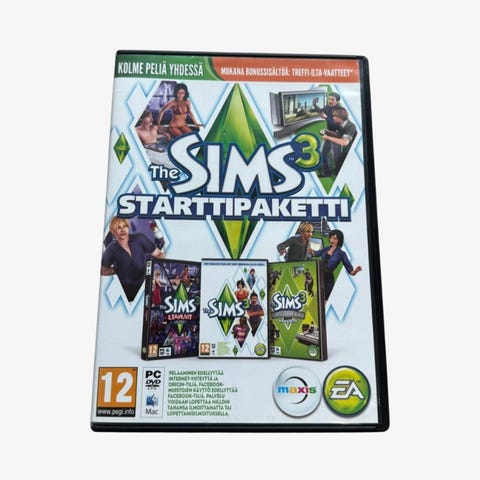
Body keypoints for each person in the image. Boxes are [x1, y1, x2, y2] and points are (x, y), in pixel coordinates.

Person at [101, 216, 165, 302]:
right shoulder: (111, 249)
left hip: (146, 291)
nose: (122, 230)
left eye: (125, 226)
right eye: (118, 227)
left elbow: (159, 254)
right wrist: (118, 270)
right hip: (127, 297)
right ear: (113, 231)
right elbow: (103, 270)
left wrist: (156, 272)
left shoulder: (140, 238)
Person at [312, 229, 362, 300]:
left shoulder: (341, 253)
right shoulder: (326, 249)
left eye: (335, 239)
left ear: (339, 240)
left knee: (325, 299)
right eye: (331, 238)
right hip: (318, 276)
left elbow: (350, 271)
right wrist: (309, 250)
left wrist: (356, 271)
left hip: (328, 279)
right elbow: (316, 254)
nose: (332, 240)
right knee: (315, 297)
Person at [319, 107, 357, 177]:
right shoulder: (340, 124)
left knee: (341, 168)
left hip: (352, 152)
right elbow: (338, 135)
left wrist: (327, 137)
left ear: (340, 117)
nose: (332, 117)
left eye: (334, 116)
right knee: (337, 168)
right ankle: (329, 173)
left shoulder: (351, 126)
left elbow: (344, 142)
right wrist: (329, 132)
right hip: (346, 149)